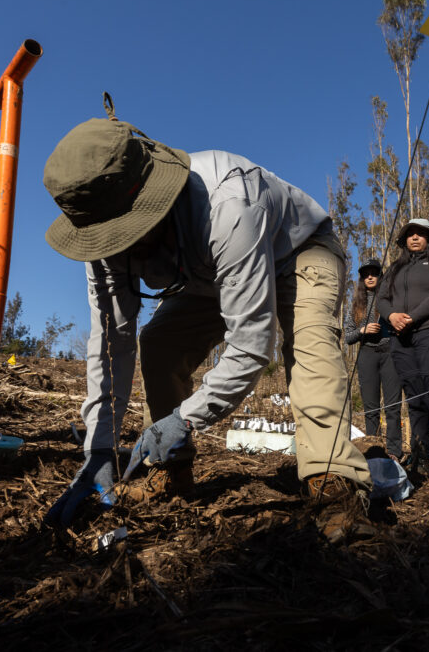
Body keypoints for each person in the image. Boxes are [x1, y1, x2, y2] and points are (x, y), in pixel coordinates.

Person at [41, 114, 370, 527]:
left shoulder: (229, 203)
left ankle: (333, 484)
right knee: (160, 345)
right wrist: (99, 450)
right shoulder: (99, 237)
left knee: (309, 346)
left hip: (298, 251)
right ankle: (172, 471)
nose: (120, 248)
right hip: (207, 275)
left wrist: (185, 418)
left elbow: (250, 344)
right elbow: (111, 343)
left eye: (127, 234)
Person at [376, 219, 429, 484]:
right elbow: (382, 298)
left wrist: (412, 317)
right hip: (401, 338)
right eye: (410, 234)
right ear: (404, 240)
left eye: (420, 234)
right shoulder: (396, 267)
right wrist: (391, 317)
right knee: (414, 396)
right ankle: (420, 456)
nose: (415, 238)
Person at [343, 258, 403, 458]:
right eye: (366, 274)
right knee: (371, 408)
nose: (370, 276)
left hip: (390, 354)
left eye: (374, 273)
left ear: (380, 276)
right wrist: (363, 329)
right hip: (366, 355)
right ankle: (374, 451)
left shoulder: (390, 299)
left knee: (393, 406)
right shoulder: (356, 305)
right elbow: (348, 337)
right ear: (361, 278)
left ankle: (394, 451)